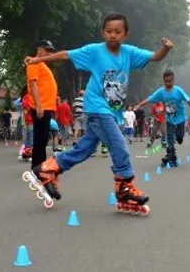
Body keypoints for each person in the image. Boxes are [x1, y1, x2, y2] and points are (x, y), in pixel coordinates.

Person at [23, 13, 173, 211]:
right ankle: (124, 186)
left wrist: (166, 48)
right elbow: (66, 54)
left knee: (84, 149)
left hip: (111, 111)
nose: (113, 35)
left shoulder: (129, 53)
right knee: (119, 144)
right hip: (96, 107)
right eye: (109, 31)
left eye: (118, 32)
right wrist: (36, 60)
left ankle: (48, 169)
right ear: (103, 33)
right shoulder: (94, 51)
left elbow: (155, 57)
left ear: (125, 34)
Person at [134, 70, 190, 167]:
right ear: (164, 81)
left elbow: (188, 100)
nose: (168, 83)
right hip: (169, 119)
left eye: (170, 81)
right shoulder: (161, 92)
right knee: (169, 136)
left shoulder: (178, 90)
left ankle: (178, 141)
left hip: (181, 117)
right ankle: (171, 154)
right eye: (166, 81)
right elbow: (150, 98)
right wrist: (139, 105)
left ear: (173, 80)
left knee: (179, 137)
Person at [25, 40, 58, 169]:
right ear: (40, 50)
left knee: (43, 137)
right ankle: (37, 166)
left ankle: (39, 165)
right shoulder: (34, 63)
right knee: (40, 137)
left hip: (46, 106)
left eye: (51, 51)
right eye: (47, 50)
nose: (50, 53)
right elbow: (33, 84)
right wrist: (38, 105)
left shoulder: (41, 64)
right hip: (40, 106)